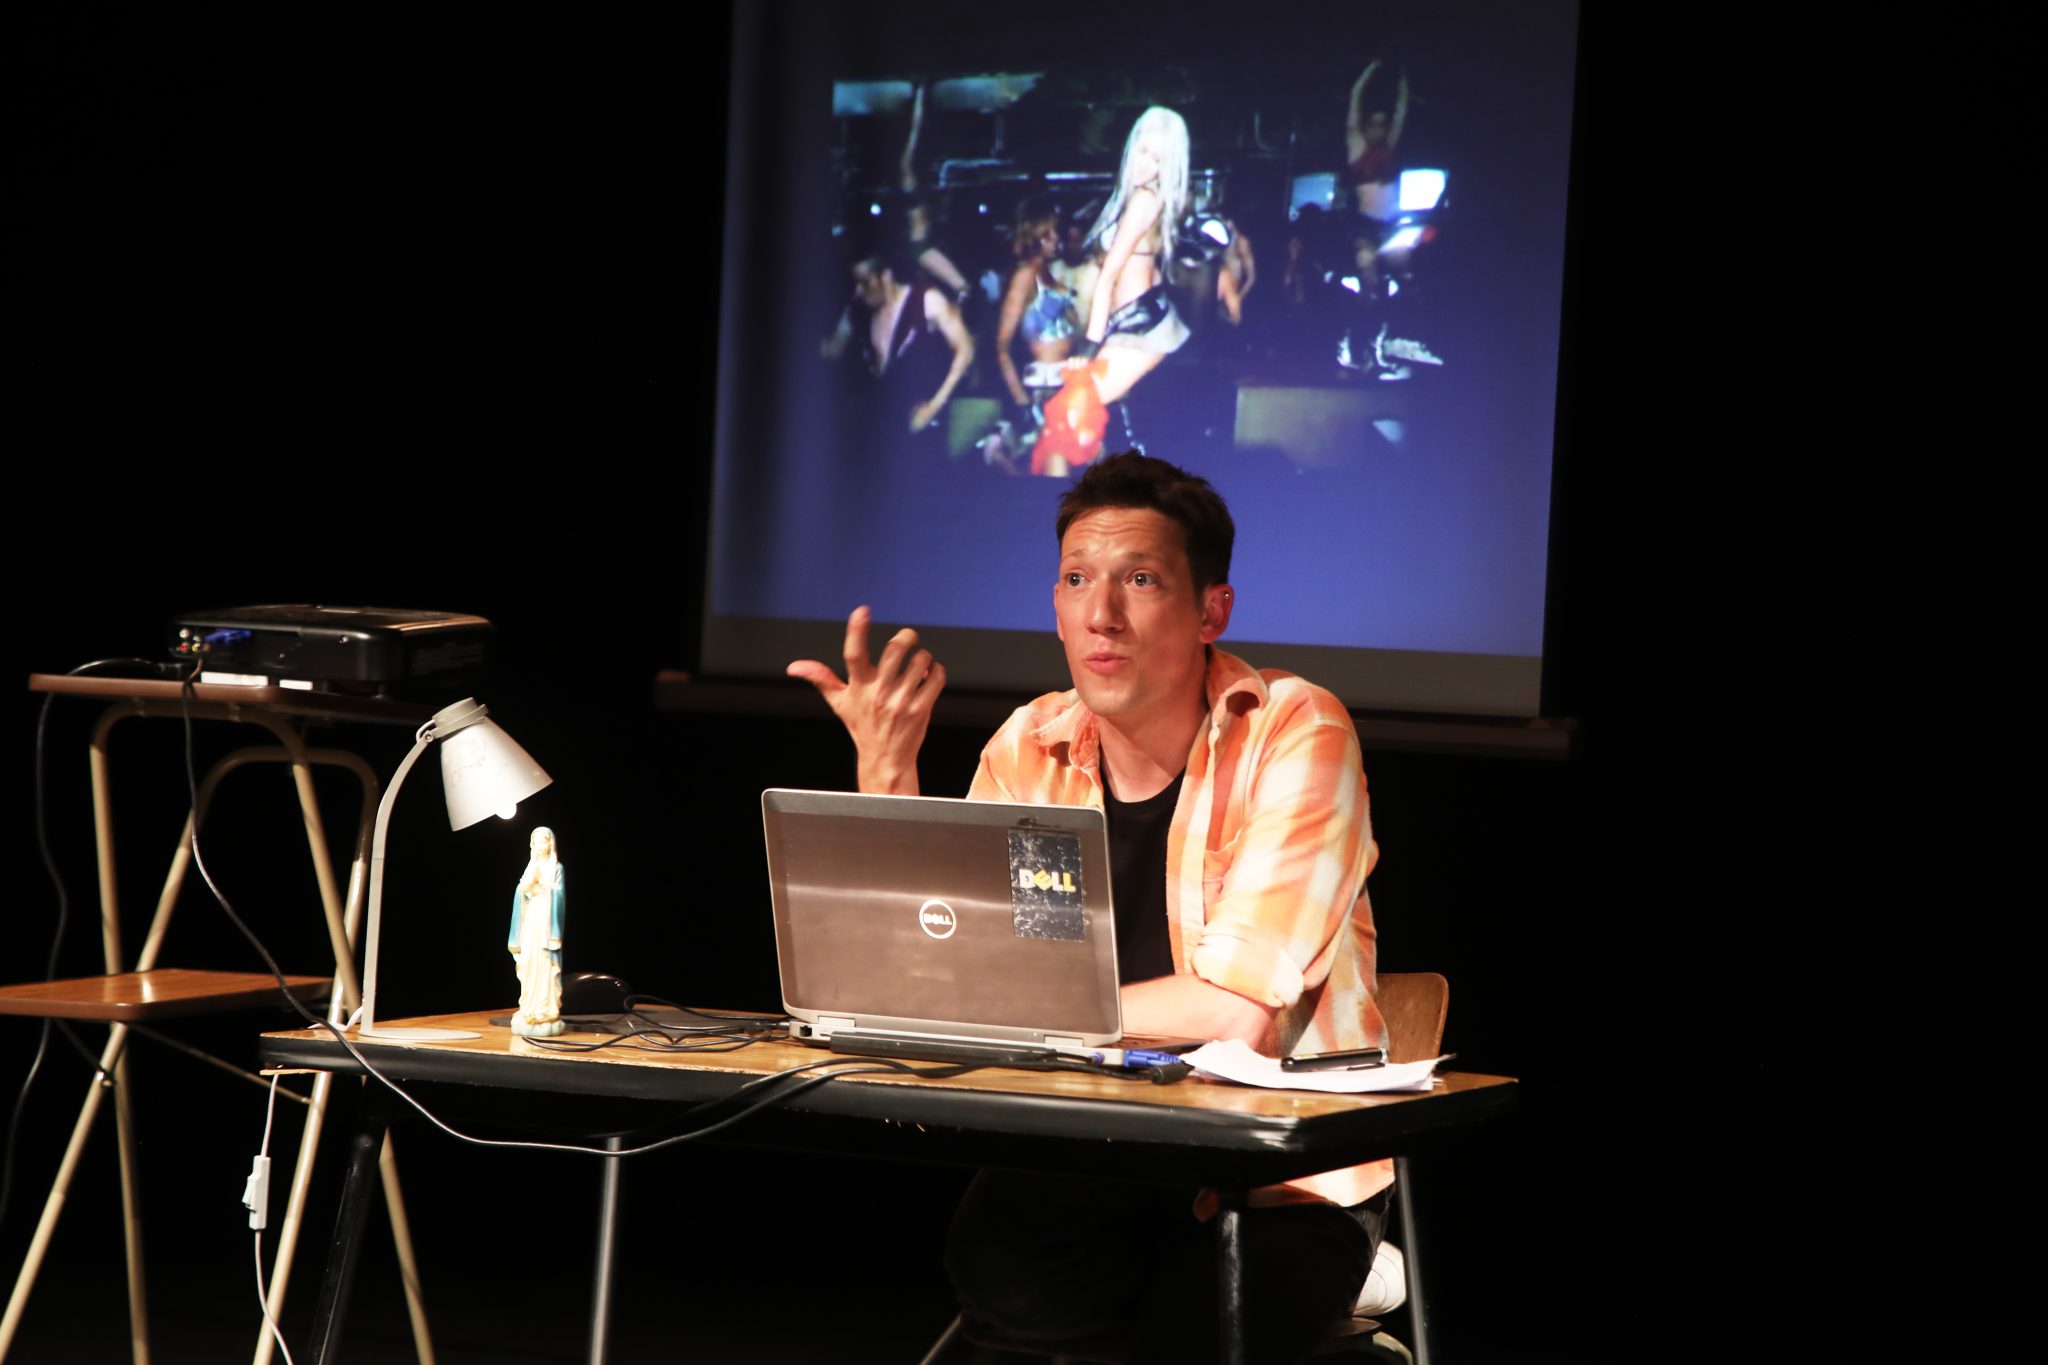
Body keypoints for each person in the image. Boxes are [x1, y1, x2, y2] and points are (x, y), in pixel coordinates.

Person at [787, 452, 1389, 1362]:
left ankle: (1358, 1279)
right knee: (1000, 1284)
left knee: (1199, 1326)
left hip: (1278, 1167)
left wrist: (1013, 1011)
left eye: (1140, 579)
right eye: (1077, 579)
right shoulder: (1030, 746)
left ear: (1211, 611)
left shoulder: (1294, 730)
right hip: (1099, 1149)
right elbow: (941, 980)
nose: (1101, 612)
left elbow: (1235, 1012)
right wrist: (887, 775)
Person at [1030, 108, 1193, 476]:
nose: (1146, 163)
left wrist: (1088, 350)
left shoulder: (1145, 199)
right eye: (1143, 150)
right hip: (1128, 321)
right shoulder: (1135, 197)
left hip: (1141, 326)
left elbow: (1108, 278)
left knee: (1065, 417)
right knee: (1078, 423)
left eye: (1157, 159)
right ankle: (1100, 498)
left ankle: (1065, 502)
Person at [821, 251, 975, 436]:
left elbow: (965, 350)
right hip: (881, 428)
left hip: (926, 425)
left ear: (886, 277)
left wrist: (933, 406)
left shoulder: (926, 300)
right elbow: (833, 348)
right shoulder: (857, 311)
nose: (859, 291)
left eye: (865, 283)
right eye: (855, 284)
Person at [508, 827, 566, 1038]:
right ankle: (529, 1007)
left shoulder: (556, 868)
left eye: (544, 841)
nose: (540, 846)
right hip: (532, 919)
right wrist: (526, 888)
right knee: (529, 960)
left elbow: (559, 895)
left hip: (546, 921)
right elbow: (521, 891)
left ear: (550, 843)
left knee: (544, 963)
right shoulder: (530, 866)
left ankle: (545, 1008)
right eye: (537, 842)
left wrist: (544, 888)